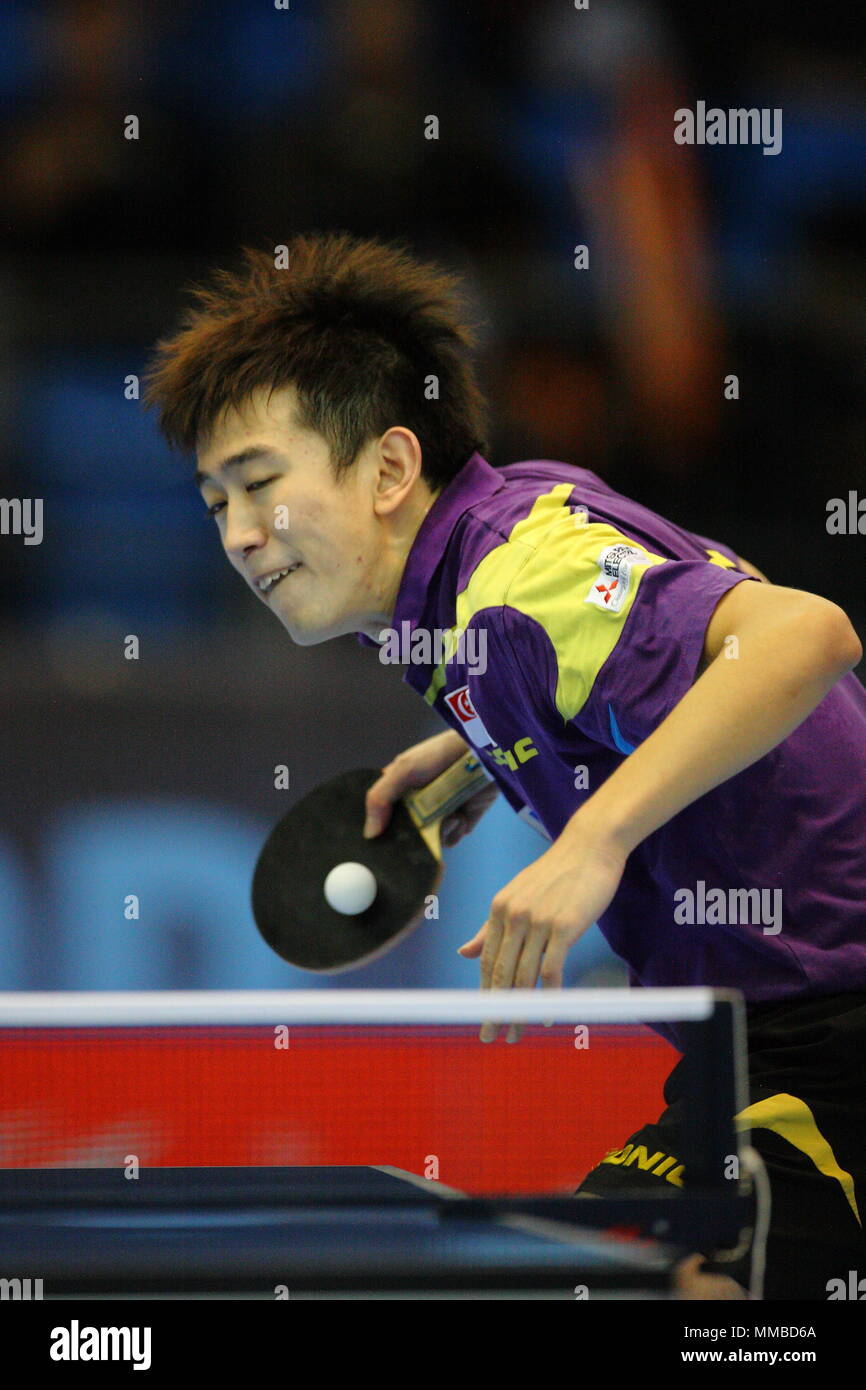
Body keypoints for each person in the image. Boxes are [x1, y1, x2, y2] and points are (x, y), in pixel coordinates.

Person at [144, 231, 866, 1299]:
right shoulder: (480, 565)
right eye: (216, 505)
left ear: (390, 466)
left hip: (829, 1034)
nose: (240, 536)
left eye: (260, 485)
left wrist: (593, 839)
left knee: (638, 1285)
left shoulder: (520, 581)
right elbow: (639, 648)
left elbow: (806, 634)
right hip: (759, 1049)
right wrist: (492, 748)